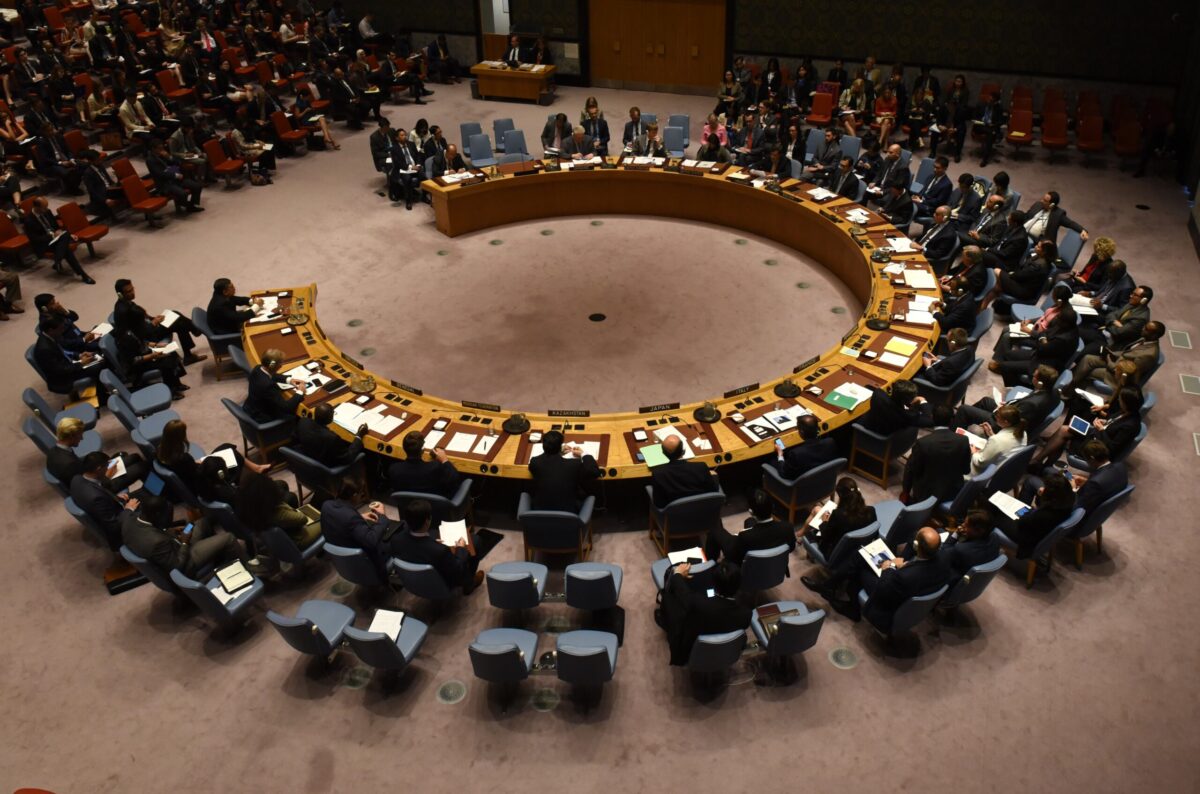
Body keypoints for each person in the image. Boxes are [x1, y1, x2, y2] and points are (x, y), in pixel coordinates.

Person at [122, 494, 252, 576]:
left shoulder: (129, 519)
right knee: (228, 538)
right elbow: (178, 566)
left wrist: (169, 531)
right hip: (184, 559)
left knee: (201, 523)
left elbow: (147, 528)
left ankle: (219, 556)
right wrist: (184, 541)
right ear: (156, 515)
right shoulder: (157, 542)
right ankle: (251, 570)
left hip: (171, 543)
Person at [659, 560, 751, 666]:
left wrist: (678, 574)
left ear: (714, 584)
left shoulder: (698, 604)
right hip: (725, 654)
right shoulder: (746, 614)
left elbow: (684, 593)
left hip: (689, 653)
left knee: (668, 599)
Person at [387, 499, 481, 592]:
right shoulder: (441, 551)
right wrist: (460, 547)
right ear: (427, 521)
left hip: (415, 581)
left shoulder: (395, 540)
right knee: (476, 540)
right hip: (443, 581)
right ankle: (469, 583)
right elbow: (458, 568)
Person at [112, 279, 205, 365]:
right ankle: (195, 330)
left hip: (149, 327)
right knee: (178, 321)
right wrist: (153, 323)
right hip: (148, 336)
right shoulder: (124, 311)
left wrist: (153, 318)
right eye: (129, 291)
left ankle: (193, 338)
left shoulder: (126, 302)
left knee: (176, 317)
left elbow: (142, 318)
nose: (132, 292)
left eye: (132, 289)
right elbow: (138, 333)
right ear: (120, 294)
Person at [49, 417, 146, 492]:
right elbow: (85, 486)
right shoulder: (68, 465)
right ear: (71, 436)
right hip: (101, 485)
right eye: (79, 435)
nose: (82, 438)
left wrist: (102, 466)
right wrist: (106, 475)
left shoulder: (54, 450)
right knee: (141, 467)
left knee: (135, 457)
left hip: (93, 472)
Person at [990, 305, 1078, 387]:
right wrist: (1043, 340)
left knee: (1005, 366)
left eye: (1059, 318)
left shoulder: (1064, 339)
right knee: (1008, 354)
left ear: (1065, 322)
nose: (1056, 319)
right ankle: (1013, 371)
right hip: (1041, 354)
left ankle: (1016, 386)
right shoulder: (1065, 325)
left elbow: (1041, 348)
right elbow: (1044, 333)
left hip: (1045, 365)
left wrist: (1043, 340)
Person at [321, 479, 392, 579]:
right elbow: (372, 540)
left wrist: (360, 516)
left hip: (343, 559)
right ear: (354, 495)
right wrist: (382, 516)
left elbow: (340, 521)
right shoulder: (351, 518)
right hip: (366, 561)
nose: (361, 497)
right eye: (360, 494)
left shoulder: (326, 506)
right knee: (395, 538)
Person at [234, 467, 319, 550]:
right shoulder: (279, 514)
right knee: (326, 515)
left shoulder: (248, 507)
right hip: (298, 539)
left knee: (283, 487)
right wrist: (279, 502)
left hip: (281, 537)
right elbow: (303, 519)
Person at [70, 451, 139, 550]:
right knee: (153, 503)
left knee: (139, 495)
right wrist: (129, 509)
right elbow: (113, 526)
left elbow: (100, 492)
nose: (108, 470)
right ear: (99, 469)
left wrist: (114, 497)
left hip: (113, 505)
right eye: (107, 467)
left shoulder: (76, 479)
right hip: (120, 527)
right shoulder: (96, 498)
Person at [705, 488, 794, 564]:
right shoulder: (788, 528)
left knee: (715, 531)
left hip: (749, 566)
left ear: (751, 512)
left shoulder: (744, 537)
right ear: (772, 507)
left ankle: (711, 566)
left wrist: (738, 536)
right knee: (749, 521)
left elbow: (733, 556)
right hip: (775, 565)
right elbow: (791, 548)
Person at [902, 404, 971, 503]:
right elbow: (966, 470)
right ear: (952, 420)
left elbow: (914, 470)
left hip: (927, 495)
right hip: (953, 492)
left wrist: (906, 491)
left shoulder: (923, 443)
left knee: (911, 462)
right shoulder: (963, 440)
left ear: (932, 418)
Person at [1000, 471, 1076, 559]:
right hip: (1038, 523)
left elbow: (1022, 522)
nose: (1043, 488)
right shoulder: (1070, 498)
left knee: (996, 513)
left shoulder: (1044, 515)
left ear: (1050, 496)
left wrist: (1020, 511)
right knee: (1030, 482)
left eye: (1046, 488)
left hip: (1026, 536)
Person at [798, 477, 877, 561]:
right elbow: (874, 533)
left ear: (840, 495)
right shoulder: (871, 510)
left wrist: (825, 521)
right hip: (858, 548)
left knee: (816, 512)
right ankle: (800, 534)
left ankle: (800, 535)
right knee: (817, 509)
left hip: (835, 553)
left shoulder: (838, 515)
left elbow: (826, 536)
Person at [1072, 321, 1164, 391]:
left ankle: (1070, 394)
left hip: (1118, 377)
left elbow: (1127, 373)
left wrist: (1109, 360)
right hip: (1117, 362)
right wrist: (1110, 353)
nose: (1143, 329)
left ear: (1154, 335)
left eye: (1146, 329)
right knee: (1088, 358)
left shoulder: (1149, 355)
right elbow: (1126, 353)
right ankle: (1070, 385)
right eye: (1145, 326)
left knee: (1089, 371)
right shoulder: (1144, 338)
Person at [23, 196, 93, 283]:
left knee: (66, 237)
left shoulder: (47, 212)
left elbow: (56, 227)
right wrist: (52, 236)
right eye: (44, 208)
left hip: (57, 239)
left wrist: (66, 235)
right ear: (37, 207)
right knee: (66, 249)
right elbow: (35, 239)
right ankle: (83, 275)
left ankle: (59, 261)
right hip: (44, 244)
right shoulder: (28, 220)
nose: (46, 209)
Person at [528, 429, 600, 511]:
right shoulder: (574, 464)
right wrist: (584, 454)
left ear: (543, 445)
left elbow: (545, 463)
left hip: (539, 514)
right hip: (569, 513)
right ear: (560, 446)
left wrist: (557, 451)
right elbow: (594, 472)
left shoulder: (534, 462)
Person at [980, 238, 1057, 311]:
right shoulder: (1040, 257)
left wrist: (1010, 274)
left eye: (1039, 247)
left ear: (1044, 252)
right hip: (1021, 283)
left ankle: (982, 303)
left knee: (996, 271)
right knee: (996, 287)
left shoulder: (1039, 265)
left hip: (1023, 290)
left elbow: (1021, 276)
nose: (1036, 247)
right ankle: (983, 306)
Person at [1080, 285, 1153, 354]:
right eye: (1132, 293)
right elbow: (1111, 315)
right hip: (1102, 332)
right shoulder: (1131, 304)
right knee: (1076, 332)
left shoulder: (1141, 318)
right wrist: (1114, 322)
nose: (1131, 296)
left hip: (1109, 343)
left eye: (1135, 295)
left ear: (1144, 300)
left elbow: (1118, 332)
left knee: (1080, 353)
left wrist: (1110, 322)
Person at [650, 435, 718, 508]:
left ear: (663, 453)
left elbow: (659, 504)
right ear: (683, 451)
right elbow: (713, 489)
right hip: (703, 509)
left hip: (675, 514)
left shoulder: (658, 473)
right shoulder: (701, 467)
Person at [387, 431, 462, 497]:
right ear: (423, 449)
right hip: (434, 506)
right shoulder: (435, 467)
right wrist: (444, 460)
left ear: (404, 448)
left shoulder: (394, 469)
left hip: (408, 506)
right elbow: (454, 478)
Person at [243, 347, 304, 424]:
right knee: (295, 414)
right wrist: (300, 392)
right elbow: (287, 407)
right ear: (277, 366)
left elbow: (272, 374)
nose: (282, 365)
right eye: (281, 363)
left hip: (250, 406)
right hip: (261, 415)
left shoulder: (258, 368)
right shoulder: (268, 386)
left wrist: (288, 380)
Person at [296, 403, 367, 467]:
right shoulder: (332, 438)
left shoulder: (303, 421)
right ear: (330, 418)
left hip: (308, 454)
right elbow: (348, 458)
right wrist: (359, 436)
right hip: (327, 464)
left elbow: (295, 437)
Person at [769, 414, 838, 480]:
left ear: (801, 432)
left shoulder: (796, 454)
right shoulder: (830, 442)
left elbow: (784, 473)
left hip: (800, 485)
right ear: (817, 429)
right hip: (824, 479)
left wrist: (780, 455)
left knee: (771, 461)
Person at [146, 141, 203, 213]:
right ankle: (188, 206)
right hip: (165, 183)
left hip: (175, 179)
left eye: (162, 148)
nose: (162, 150)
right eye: (159, 148)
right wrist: (175, 175)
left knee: (197, 186)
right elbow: (159, 174)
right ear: (153, 149)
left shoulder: (164, 155)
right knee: (183, 194)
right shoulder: (150, 160)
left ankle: (192, 206)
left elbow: (176, 164)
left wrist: (169, 157)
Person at [969, 404, 1027, 475]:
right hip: (1006, 469)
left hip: (985, 472)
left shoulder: (997, 440)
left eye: (998, 417)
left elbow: (980, 462)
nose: (995, 417)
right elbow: (1006, 445)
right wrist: (991, 434)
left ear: (1006, 422)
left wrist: (974, 452)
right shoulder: (1023, 433)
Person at [940, 510, 1001, 575]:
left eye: (966, 525)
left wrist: (956, 533)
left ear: (978, 531)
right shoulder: (995, 538)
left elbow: (944, 552)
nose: (962, 525)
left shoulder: (961, 550)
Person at [858, 379, 927, 435]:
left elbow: (875, 389)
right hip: (886, 432)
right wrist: (922, 400)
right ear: (908, 400)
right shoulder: (910, 416)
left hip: (873, 427)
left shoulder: (878, 395)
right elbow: (928, 419)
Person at [1022, 191, 1088, 243]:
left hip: (1036, 241)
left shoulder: (1058, 215)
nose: (1041, 201)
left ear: (1052, 205)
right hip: (1022, 232)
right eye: (1043, 199)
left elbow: (1070, 223)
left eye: (1045, 201)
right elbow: (1027, 216)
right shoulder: (1038, 205)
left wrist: (1083, 230)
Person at [910, 205, 957, 272]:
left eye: (937, 214)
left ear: (944, 218)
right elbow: (922, 236)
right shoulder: (932, 222)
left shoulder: (949, 235)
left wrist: (921, 248)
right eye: (935, 212)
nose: (934, 215)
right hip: (916, 249)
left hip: (926, 257)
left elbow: (937, 254)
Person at [387, 127, 423, 209]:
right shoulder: (394, 149)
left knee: (424, 175)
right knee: (407, 179)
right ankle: (408, 201)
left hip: (415, 167)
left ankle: (424, 196)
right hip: (403, 170)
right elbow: (398, 163)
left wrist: (418, 165)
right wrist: (411, 167)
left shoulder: (411, 144)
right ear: (397, 138)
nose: (405, 136)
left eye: (405, 135)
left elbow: (418, 156)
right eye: (402, 135)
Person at [911, 157, 953, 226]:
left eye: (938, 168)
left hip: (931, 208)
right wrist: (917, 197)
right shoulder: (930, 176)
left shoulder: (947, 184)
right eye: (934, 167)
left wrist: (922, 201)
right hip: (921, 202)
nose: (934, 169)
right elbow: (924, 190)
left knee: (910, 206)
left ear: (945, 168)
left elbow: (938, 202)